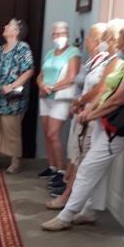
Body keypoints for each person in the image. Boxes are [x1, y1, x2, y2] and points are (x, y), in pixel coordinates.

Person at [42, 23, 124, 231]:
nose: (116, 41)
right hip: (103, 122)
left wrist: (91, 114)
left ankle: (66, 216)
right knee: (92, 169)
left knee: (86, 168)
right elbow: (106, 92)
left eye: (120, 39)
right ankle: (87, 211)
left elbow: (117, 99)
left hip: (116, 128)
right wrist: (91, 111)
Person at [46, 22, 109, 209]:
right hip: (79, 112)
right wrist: (77, 103)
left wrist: (79, 102)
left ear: (97, 40)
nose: (86, 39)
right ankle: (67, 188)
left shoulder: (106, 62)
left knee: (80, 158)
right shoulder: (91, 60)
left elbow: (99, 89)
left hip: (88, 115)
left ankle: (69, 198)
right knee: (74, 154)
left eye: (89, 36)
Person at [0, 18, 34, 174]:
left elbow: (29, 71)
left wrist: (12, 86)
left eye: (9, 25)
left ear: (16, 31)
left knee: (11, 130)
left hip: (12, 98)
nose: (5, 26)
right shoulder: (1, 48)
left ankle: (15, 161)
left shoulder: (22, 48)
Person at [35, 22, 81, 193]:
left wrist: (51, 88)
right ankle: (52, 166)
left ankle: (61, 171)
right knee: (47, 134)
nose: (58, 36)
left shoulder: (73, 53)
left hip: (60, 99)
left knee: (53, 134)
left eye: (61, 33)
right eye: (55, 34)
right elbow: (40, 75)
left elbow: (71, 77)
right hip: (45, 98)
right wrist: (42, 86)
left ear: (67, 34)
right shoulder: (50, 53)